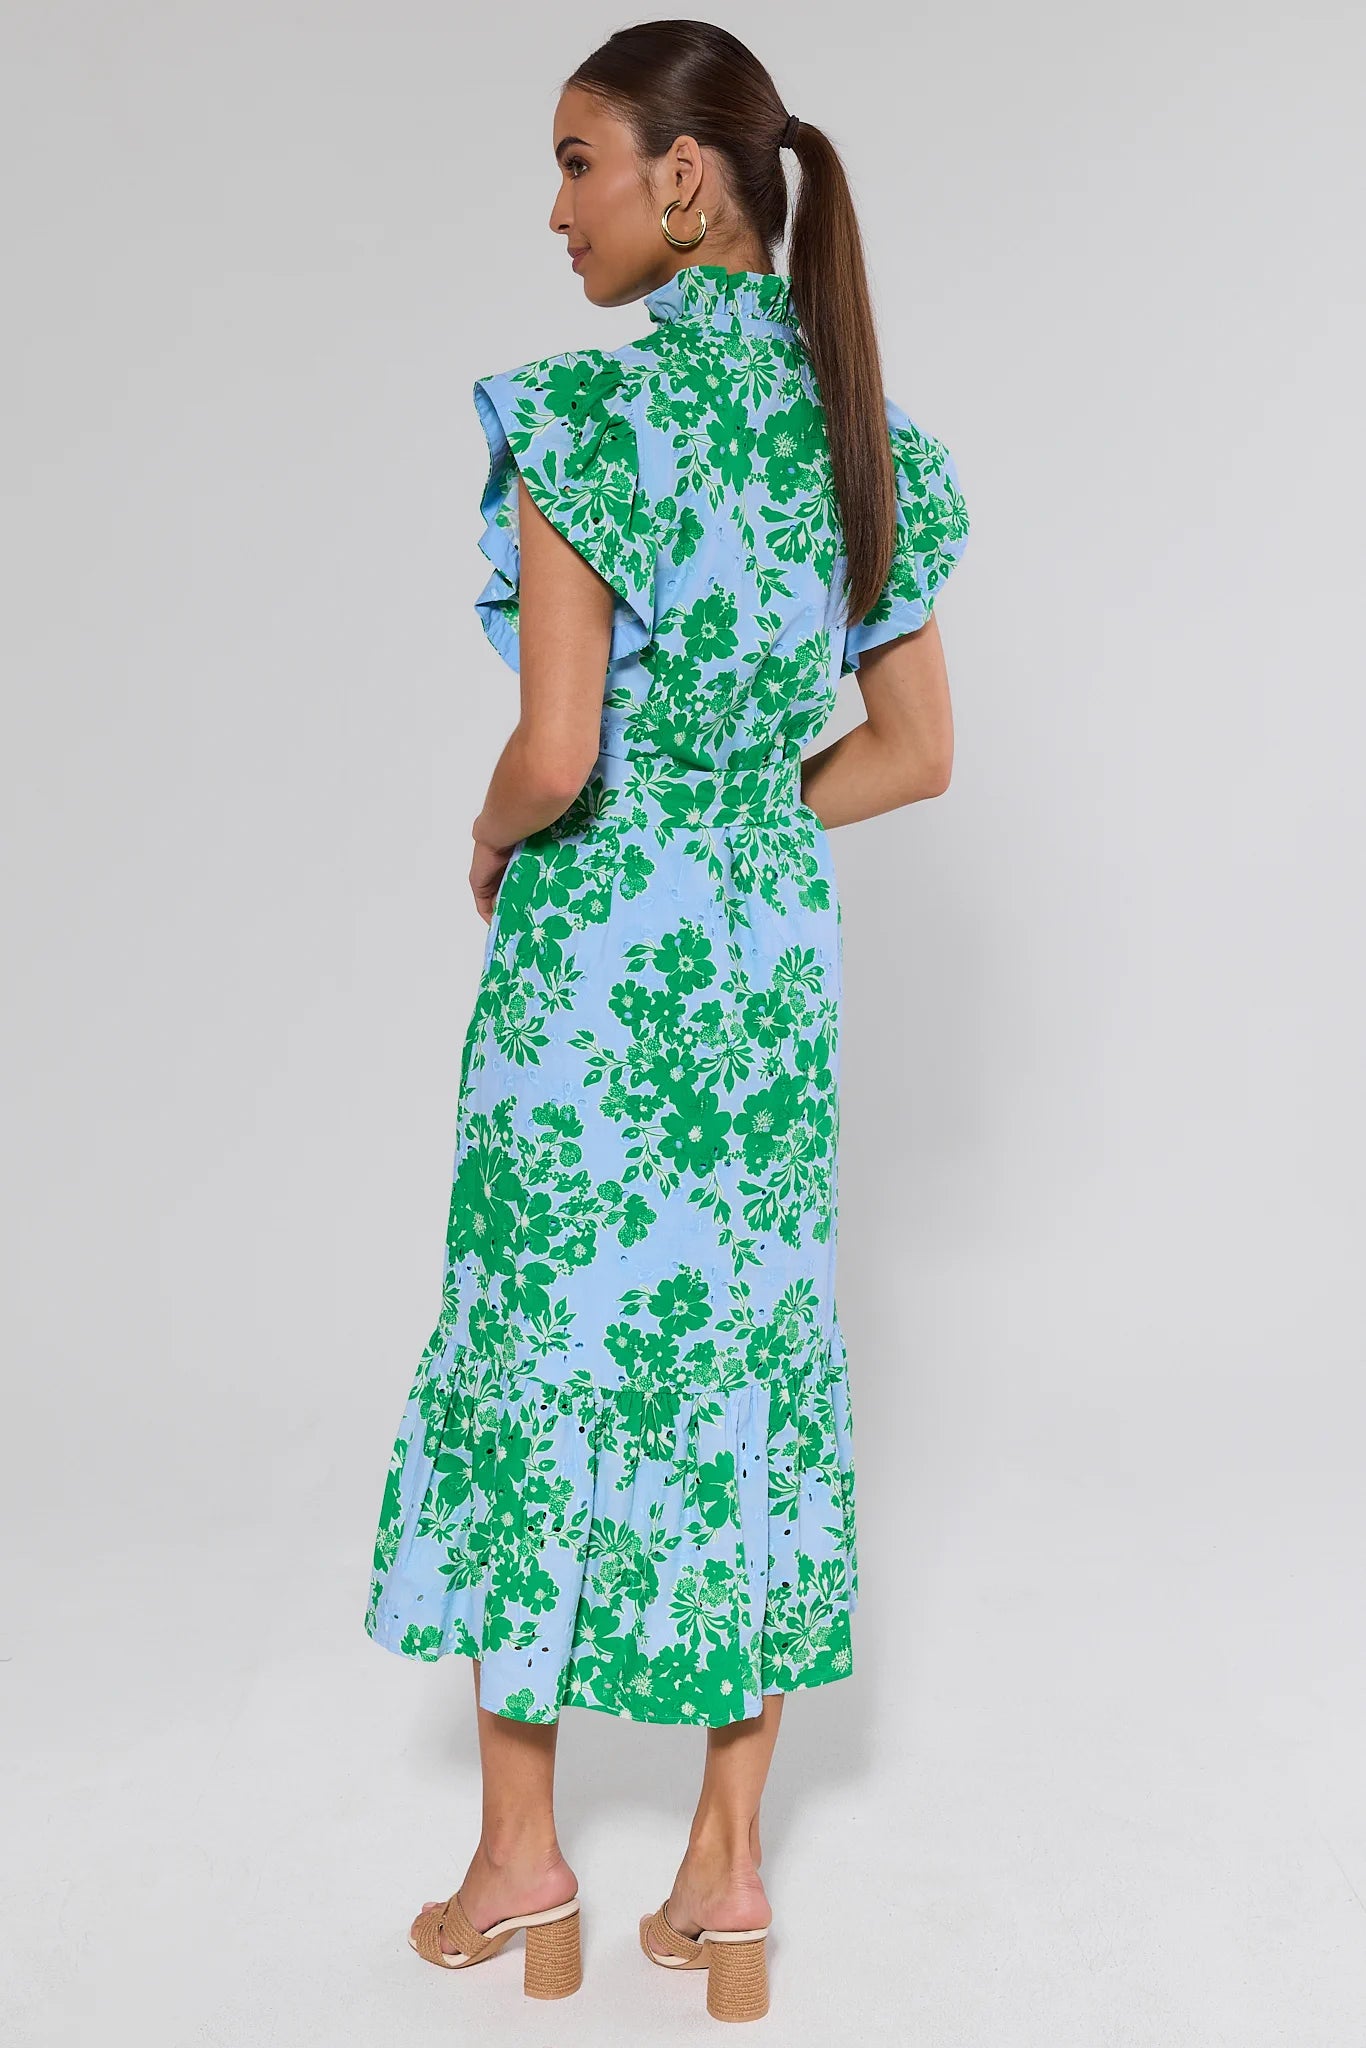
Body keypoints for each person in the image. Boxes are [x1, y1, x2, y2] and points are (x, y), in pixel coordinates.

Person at [363, 18, 971, 2023]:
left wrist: (492, 832)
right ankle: (724, 1876)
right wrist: (737, 822)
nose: (557, 213)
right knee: (744, 1364)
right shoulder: (863, 436)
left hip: (594, 958)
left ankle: (517, 1859)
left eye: (576, 164)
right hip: (762, 968)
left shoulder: (583, 424)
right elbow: (913, 751)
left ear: (682, 179)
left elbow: (553, 753)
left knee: (534, 1350)